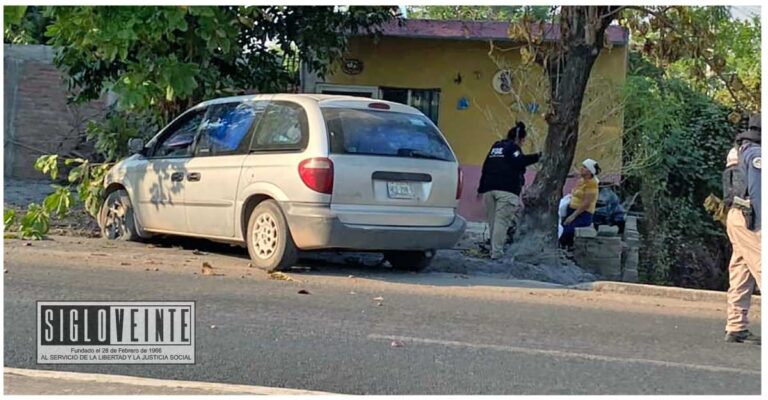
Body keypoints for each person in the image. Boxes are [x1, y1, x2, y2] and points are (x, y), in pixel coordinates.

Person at [723, 113, 761, 344]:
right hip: (751, 217)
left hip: (736, 215)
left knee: (741, 269)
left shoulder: (738, 150)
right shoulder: (757, 153)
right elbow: (758, 191)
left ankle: (736, 326)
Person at [477, 122, 541, 259]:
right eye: (523, 141)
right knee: (501, 222)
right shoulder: (513, 148)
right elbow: (520, 161)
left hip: (489, 189)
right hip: (506, 190)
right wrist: (538, 156)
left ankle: (492, 250)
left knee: (493, 222)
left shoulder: (496, 147)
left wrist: (480, 188)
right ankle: (497, 253)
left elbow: (485, 166)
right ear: (520, 139)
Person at [559, 159, 601, 250]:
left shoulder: (592, 184)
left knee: (568, 230)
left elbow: (586, 204)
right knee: (561, 227)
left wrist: (572, 217)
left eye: (584, 167)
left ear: (590, 171)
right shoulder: (582, 180)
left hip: (582, 214)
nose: (581, 169)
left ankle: (566, 249)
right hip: (572, 210)